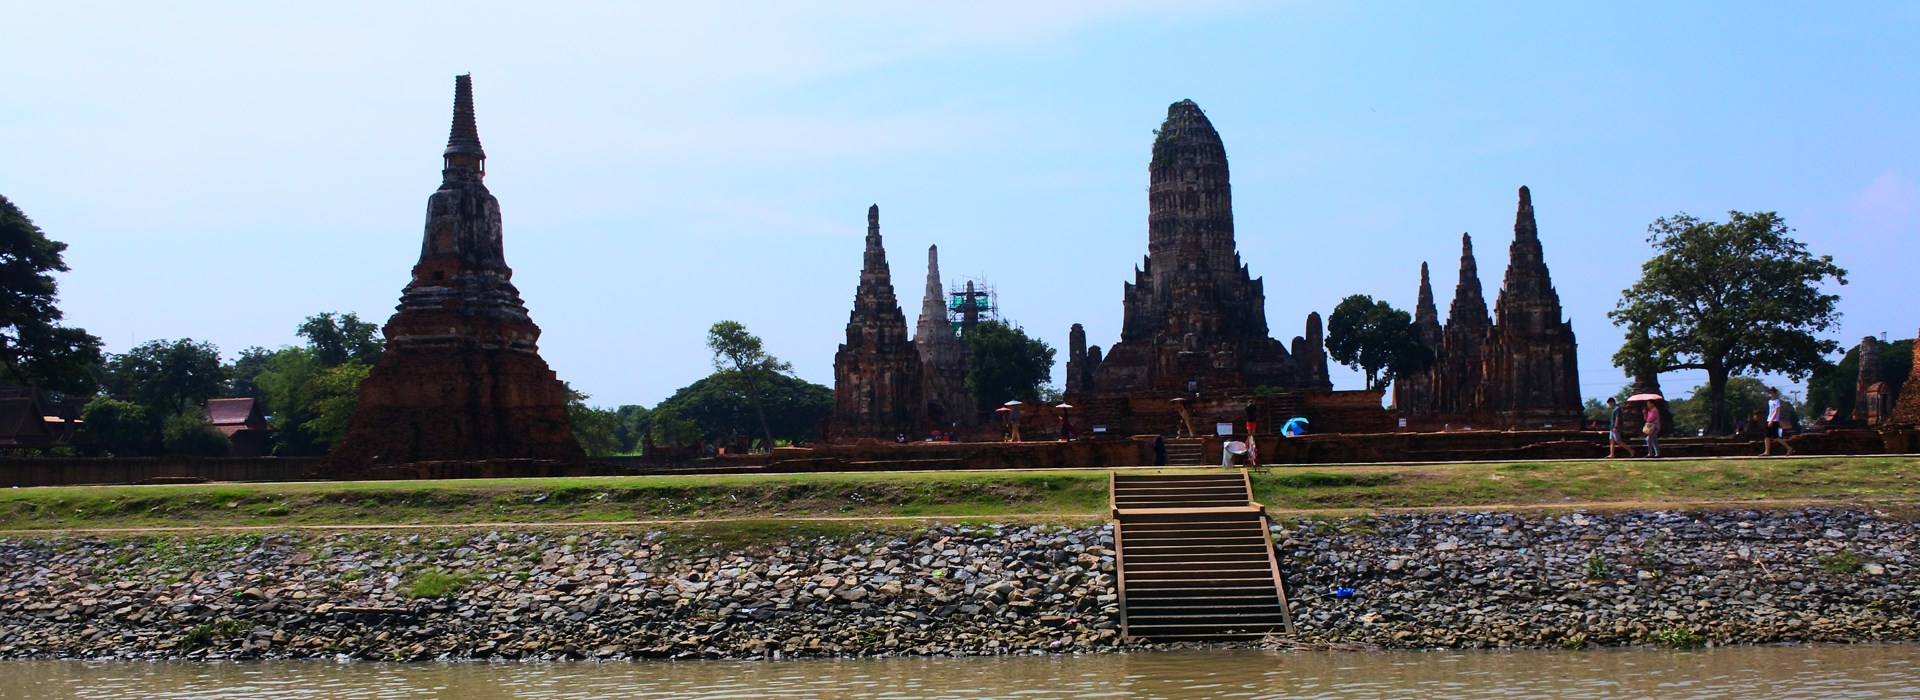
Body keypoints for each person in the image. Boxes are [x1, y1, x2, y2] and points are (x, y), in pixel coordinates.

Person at [1762, 388, 1794, 456]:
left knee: (1776, 437)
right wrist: (1769, 420)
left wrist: (1771, 420)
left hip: (1774, 420)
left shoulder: (1777, 401)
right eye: (1770, 393)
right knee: (1767, 436)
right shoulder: (1769, 401)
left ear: (1775, 393)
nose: (1771, 394)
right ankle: (1767, 451)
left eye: (1772, 393)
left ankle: (1789, 448)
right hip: (1769, 419)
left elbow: (1776, 411)